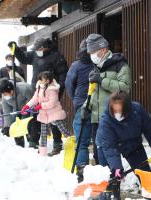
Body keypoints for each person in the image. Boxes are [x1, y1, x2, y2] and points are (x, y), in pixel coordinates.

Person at [96, 91, 151, 199]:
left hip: (133, 144)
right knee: (110, 179)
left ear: (127, 108)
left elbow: (150, 132)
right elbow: (110, 148)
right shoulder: (106, 120)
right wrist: (116, 168)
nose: (117, 113)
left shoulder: (138, 111)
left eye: (120, 110)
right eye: (115, 110)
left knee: (145, 174)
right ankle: (111, 196)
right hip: (107, 146)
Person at [8, 38, 68, 156]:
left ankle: (57, 144)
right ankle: (34, 141)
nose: (37, 51)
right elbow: (23, 58)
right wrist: (15, 49)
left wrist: (59, 88)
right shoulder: (35, 55)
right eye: (36, 49)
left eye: (39, 49)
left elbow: (63, 73)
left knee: (53, 119)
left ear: (45, 47)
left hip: (51, 91)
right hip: (37, 90)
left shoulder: (56, 56)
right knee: (37, 117)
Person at [83, 33, 132, 164]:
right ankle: (102, 180)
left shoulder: (119, 64)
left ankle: (114, 179)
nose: (92, 55)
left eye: (94, 51)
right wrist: (86, 107)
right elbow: (92, 93)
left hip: (112, 117)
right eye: (90, 53)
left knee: (111, 154)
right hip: (96, 119)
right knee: (98, 155)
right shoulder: (95, 69)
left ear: (104, 49)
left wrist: (101, 80)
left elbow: (124, 88)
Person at [65, 39, 94, 182]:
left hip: (82, 105)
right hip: (100, 105)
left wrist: (76, 99)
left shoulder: (76, 65)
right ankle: (102, 168)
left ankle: (82, 170)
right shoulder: (99, 62)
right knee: (102, 140)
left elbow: (69, 84)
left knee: (82, 141)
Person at [21, 71, 70, 156]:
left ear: (47, 81)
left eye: (41, 79)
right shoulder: (40, 87)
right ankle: (42, 152)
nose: (39, 81)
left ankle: (73, 142)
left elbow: (52, 103)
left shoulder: (52, 90)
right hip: (44, 115)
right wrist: (27, 106)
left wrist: (40, 106)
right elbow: (35, 98)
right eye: (39, 79)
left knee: (63, 131)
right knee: (43, 134)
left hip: (54, 114)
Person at [0, 79, 33, 147]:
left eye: (5, 94)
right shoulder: (5, 96)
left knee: (27, 124)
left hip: (28, 108)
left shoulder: (24, 89)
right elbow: (7, 111)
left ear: (11, 91)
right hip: (17, 110)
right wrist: (7, 126)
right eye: (3, 94)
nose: (4, 95)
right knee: (16, 124)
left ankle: (32, 142)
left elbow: (32, 103)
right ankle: (19, 145)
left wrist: (31, 118)